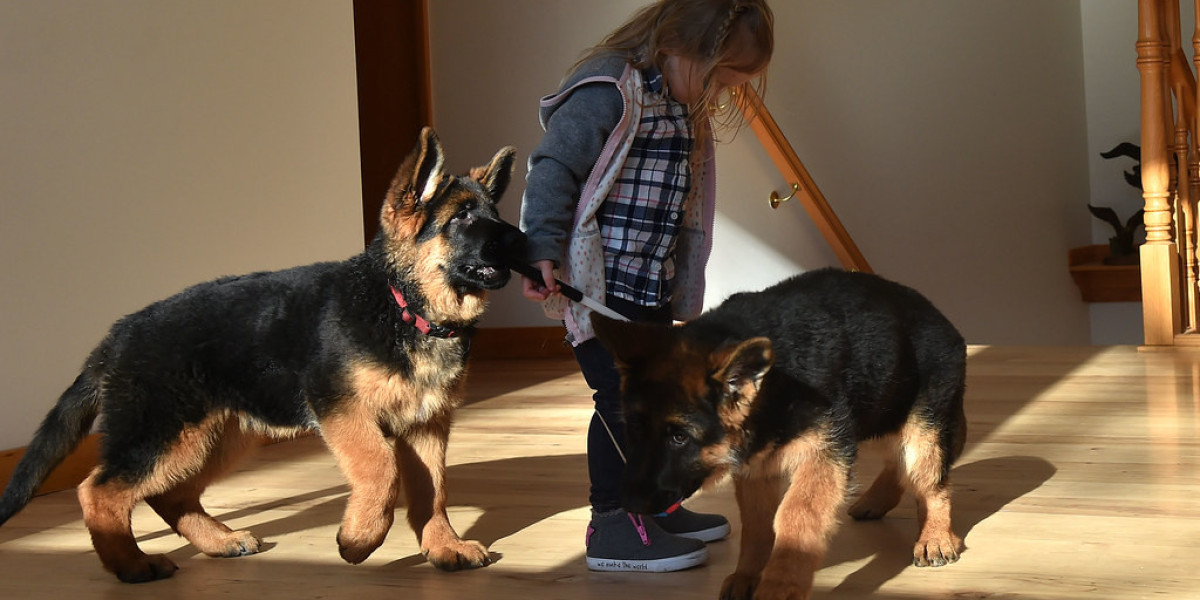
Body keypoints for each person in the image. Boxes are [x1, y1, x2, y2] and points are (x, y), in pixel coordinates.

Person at [518, 0, 774, 573]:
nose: (726, 92)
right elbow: (554, 167)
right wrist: (542, 246)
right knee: (620, 404)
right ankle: (612, 523)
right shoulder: (609, 89)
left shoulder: (681, 105)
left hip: (648, 287)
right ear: (681, 48)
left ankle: (655, 509)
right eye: (722, 77)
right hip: (600, 288)